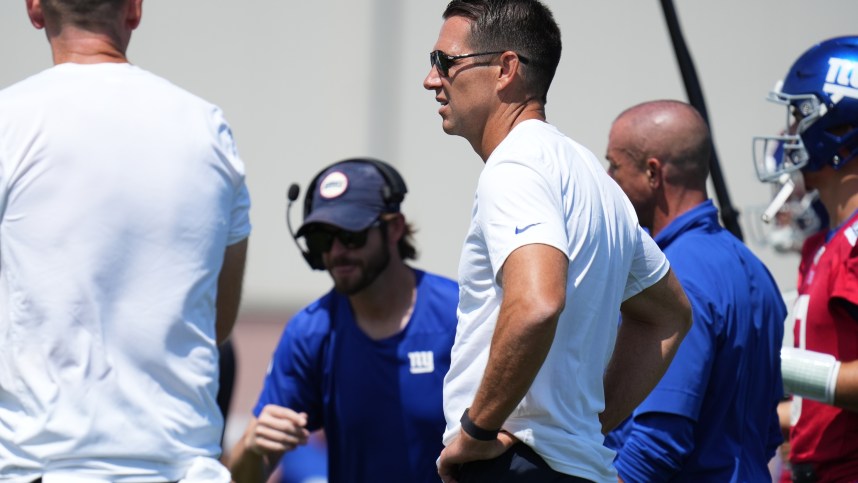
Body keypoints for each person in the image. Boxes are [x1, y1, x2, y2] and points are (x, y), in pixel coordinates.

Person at [422, 1, 693, 482]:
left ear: (506, 69)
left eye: (445, 61)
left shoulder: (516, 166)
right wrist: (584, 427)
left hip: (515, 465)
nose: (431, 79)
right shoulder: (594, 177)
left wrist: (477, 430)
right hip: (573, 468)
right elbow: (669, 314)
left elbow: (537, 303)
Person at [0, 0, 251, 481]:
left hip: (43, 463)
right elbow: (218, 321)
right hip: (182, 466)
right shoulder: (208, 128)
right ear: (134, 10)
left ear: (34, 9)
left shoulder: (10, 121)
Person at [228, 158, 459, 483]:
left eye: (351, 235)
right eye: (322, 239)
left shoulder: (458, 315)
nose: (336, 251)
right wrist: (252, 448)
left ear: (394, 228)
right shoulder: (309, 333)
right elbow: (245, 478)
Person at [603, 99, 787, 482]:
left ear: (653, 172)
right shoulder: (753, 268)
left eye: (615, 166)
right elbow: (767, 432)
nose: (608, 180)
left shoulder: (673, 279)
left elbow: (657, 445)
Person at [753, 36, 858, 482]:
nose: (788, 133)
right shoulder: (830, 241)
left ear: (841, 124)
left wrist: (778, 366)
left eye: (799, 115)